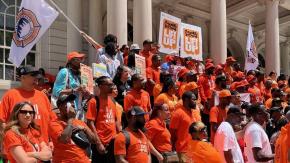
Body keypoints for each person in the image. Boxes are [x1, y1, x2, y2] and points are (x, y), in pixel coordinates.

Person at [0, 66, 57, 144]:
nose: (36, 79)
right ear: (23, 77)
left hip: (43, 147)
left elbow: (52, 121)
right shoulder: (10, 95)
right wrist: (9, 141)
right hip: (18, 148)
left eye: (37, 76)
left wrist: (51, 140)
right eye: (33, 76)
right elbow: (2, 121)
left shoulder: (43, 96)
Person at [49, 94, 95, 163]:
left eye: (73, 103)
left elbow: (94, 140)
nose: (72, 105)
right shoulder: (54, 123)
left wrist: (84, 129)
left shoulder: (80, 122)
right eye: (68, 103)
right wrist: (70, 119)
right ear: (60, 107)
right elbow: (64, 139)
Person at [86, 76, 121, 163]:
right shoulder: (94, 102)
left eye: (112, 84)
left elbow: (115, 120)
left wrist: (120, 136)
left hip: (113, 143)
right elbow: (90, 123)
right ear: (101, 86)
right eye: (109, 85)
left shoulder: (112, 101)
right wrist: (98, 143)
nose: (112, 87)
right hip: (101, 143)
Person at [52, 51, 87, 120]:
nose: (81, 62)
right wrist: (75, 90)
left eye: (81, 59)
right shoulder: (64, 72)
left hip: (79, 110)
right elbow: (56, 92)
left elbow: (82, 93)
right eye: (78, 59)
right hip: (67, 111)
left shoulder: (79, 75)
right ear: (71, 61)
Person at [169, 91, 198, 162]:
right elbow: (172, 133)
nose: (195, 101)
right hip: (183, 151)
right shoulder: (178, 113)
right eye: (193, 99)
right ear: (186, 100)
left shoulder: (193, 112)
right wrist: (174, 148)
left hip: (193, 149)